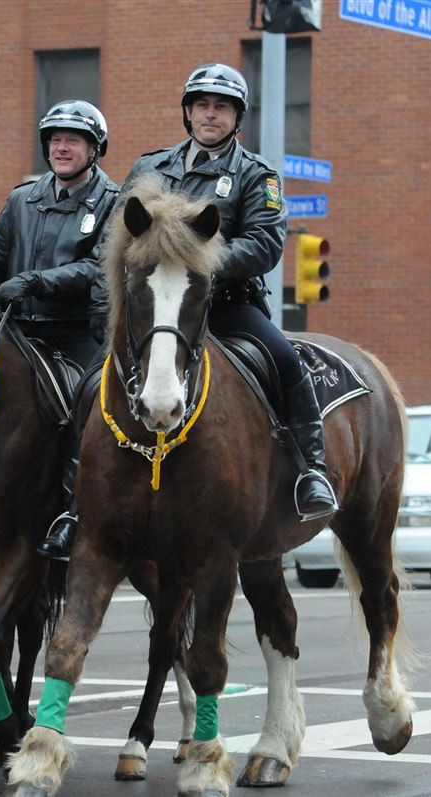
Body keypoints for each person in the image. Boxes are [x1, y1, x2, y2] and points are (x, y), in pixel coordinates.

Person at [121, 63, 337, 521]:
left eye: (222, 107)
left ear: (237, 117)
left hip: (226, 305)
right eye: (202, 105)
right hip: (156, 305)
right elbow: (122, 236)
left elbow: (265, 243)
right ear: (188, 112)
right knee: (92, 379)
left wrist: (197, 265)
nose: (210, 115)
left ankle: (311, 469)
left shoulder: (258, 175)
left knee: (285, 358)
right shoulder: (150, 168)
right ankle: (77, 488)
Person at [0, 100, 121, 560]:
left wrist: (38, 281)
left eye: (72, 140)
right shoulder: (22, 199)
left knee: (86, 405)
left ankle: (73, 514)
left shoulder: (113, 201)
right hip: (15, 334)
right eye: (55, 139)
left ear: (94, 149)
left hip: (75, 333)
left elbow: (100, 268)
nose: (61, 147)